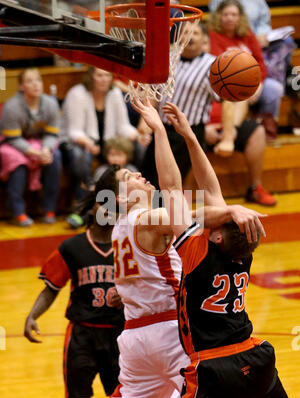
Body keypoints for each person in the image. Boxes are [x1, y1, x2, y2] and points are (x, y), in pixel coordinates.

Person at [132, 97, 300, 398]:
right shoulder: (243, 250)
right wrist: (191, 137)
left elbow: (171, 186)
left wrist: (161, 132)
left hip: (212, 366)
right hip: (254, 355)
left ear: (218, 235)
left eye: (219, 221)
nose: (216, 217)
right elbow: (212, 191)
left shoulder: (197, 251)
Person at [142, 21, 276, 206]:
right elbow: (154, 92)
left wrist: (228, 137)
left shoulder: (213, 65)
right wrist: (145, 124)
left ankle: (174, 231)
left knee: (171, 189)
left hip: (188, 133)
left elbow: (227, 101)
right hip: (161, 129)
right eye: (186, 32)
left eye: (196, 33)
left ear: (205, 38)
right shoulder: (168, 57)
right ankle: (146, 228)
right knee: (148, 184)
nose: (191, 37)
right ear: (178, 37)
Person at [24, 185, 124, 398]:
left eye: (115, 207)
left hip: (121, 337)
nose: (109, 210)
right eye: (103, 204)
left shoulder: (129, 248)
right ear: (91, 209)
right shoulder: (71, 247)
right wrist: (32, 316)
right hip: (82, 337)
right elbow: (51, 288)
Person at [59, 67, 151, 228]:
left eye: (107, 75)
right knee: (81, 156)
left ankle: (141, 201)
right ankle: (81, 205)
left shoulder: (115, 93)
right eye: (99, 75)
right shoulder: (77, 94)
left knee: (142, 147)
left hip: (109, 143)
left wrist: (139, 136)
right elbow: (73, 131)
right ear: (91, 77)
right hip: (79, 143)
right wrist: (88, 143)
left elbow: (123, 126)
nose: (104, 79)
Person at [208, 0, 285, 140]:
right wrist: (246, 87)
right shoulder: (213, 36)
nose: (230, 18)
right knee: (237, 96)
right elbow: (217, 68)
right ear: (219, 16)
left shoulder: (248, 34)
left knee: (275, 89)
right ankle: (233, 132)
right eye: (226, 14)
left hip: (254, 83)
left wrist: (258, 84)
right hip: (230, 85)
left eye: (234, 14)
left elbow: (260, 62)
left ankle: (267, 125)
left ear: (240, 17)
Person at [0, 68, 62, 226]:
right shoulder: (11, 107)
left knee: (55, 158)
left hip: (41, 144)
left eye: (38, 80)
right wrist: (34, 152)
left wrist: (46, 150)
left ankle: (49, 209)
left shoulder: (51, 104)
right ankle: (17, 211)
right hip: (12, 144)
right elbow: (13, 139)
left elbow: (52, 134)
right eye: (30, 81)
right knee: (17, 162)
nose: (36, 84)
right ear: (21, 87)